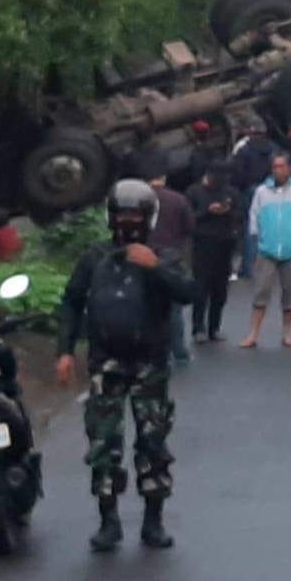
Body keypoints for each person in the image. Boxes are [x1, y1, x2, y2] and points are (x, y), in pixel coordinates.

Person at [55, 179, 197, 552]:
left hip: (149, 366)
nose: (129, 223)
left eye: (136, 217)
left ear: (149, 219)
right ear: (111, 217)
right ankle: (108, 521)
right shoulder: (94, 257)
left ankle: (153, 521)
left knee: (152, 444)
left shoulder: (163, 256)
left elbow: (189, 292)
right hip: (105, 366)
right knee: (103, 446)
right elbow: (70, 302)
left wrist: (155, 268)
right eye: (123, 216)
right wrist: (65, 351)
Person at [240, 154, 291, 348]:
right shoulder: (262, 192)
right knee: (261, 291)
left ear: (290, 168)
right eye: (275, 167)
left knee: (290, 292)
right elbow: (254, 215)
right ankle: (253, 333)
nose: (278, 170)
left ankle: (287, 333)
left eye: (282, 166)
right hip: (267, 249)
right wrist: (257, 238)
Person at [144, 152, 196, 363]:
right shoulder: (179, 200)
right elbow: (190, 227)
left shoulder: (139, 200)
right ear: (164, 178)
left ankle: (154, 352)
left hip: (145, 255)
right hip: (173, 257)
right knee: (174, 308)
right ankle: (179, 352)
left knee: (147, 306)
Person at [185, 159, 242, 344]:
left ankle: (214, 327)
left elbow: (240, 215)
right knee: (200, 288)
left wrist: (228, 212)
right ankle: (198, 327)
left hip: (224, 244)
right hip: (202, 244)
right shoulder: (194, 192)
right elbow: (188, 219)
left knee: (220, 290)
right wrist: (206, 212)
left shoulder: (230, 192)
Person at [231, 117, 281, 279]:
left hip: (251, 189)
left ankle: (250, 267)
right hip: (270, 188)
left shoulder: (244, 148)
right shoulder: (273, 148)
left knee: (250, 228)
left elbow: (237, 173)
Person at [184, 120, 219, 190]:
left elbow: (196, 174)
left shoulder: (197, 152)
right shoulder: (214, 149)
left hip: (203, 187)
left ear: (195, 134)